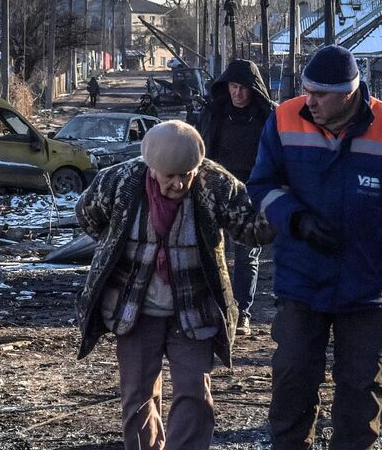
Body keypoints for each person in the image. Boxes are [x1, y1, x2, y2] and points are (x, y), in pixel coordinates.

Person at [248, 45, 382, 450]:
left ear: (348, 94)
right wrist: (296, 219)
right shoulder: (283, 120)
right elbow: (262, 185)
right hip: (302, 280)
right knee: (292, 380)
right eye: (306, 90)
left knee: (362, 392)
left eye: (320, 94)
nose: (309, 101)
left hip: (368, 289)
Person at [75, 120, 272, 450]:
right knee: (137, 394)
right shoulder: (120, 181)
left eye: (187, 174)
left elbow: (252, 228)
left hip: (194, 308)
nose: (179, 183)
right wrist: (117, 246)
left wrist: (287, 207)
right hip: (134, 309)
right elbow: (87, 214)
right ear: (152, 168)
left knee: (194, 392)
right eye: (171, 176)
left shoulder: (215, 184)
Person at [195, 59, 276, 337]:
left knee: (246, 256)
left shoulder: (268, 117)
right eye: (233, 86)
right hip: (216, 189)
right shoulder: (214, 113)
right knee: (211, 251)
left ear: (253, 89)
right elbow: (199, 149)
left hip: (253, 191)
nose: (238, 93)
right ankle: (214, 310)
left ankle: (242, 313)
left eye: (243, 87)